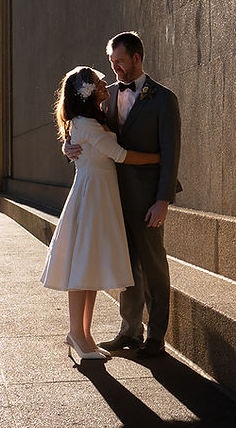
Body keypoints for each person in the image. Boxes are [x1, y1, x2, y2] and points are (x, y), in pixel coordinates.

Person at [64, 32, 181, 358]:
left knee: (154, 267)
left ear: (137, 58)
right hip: (111, 199)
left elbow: (171, 153)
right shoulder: (106, 95)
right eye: (111, 62)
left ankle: (156, 336)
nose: (114, 68)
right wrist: (67, 147)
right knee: (126, 268)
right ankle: (129, 331)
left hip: (147, 200)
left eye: (120, 61)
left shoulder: (163, 99)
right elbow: (84, 131)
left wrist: (163, 200)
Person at [40, 66, 162, 361]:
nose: (104, 82)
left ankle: (84, 333)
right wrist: (160, 157)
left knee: (89, 267)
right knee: (81, 266)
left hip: (100, 195)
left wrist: (67, 147)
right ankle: (76, 333)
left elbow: (83, 144)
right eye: (98, 82)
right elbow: (120, 155)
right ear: (87, 92)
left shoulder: (92, 119)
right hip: (92, 197)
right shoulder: (86, 122)